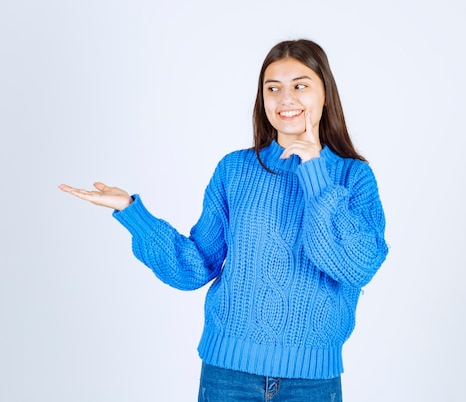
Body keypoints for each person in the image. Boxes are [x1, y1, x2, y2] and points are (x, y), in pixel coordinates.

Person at [59, 39, 388, 402]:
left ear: (325, 94)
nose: (285, 98)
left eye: (300, 85)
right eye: (273, 88)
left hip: (312, 382)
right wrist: (132, 212)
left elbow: (357, 265)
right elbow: (196, 265)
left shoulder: (352, 177)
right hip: (229, 376)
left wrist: (314, 170)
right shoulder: (235, 170)